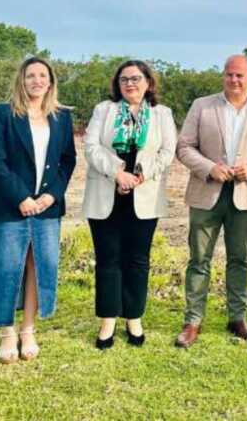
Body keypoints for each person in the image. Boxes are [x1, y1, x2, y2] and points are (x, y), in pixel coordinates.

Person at [174, 55, 247, 348]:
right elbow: (183, 146)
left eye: (240, 76)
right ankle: (192, 321)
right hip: (206, 194)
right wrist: (209, 168)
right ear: (223, 76)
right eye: (229, 75)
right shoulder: (202, 105)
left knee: (239, 260)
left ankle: (237, 318)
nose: (234, 80)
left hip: (245, 197)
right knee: (199, 260)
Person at [82, 60, 177, 349]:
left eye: (136, 78)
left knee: (138, 259)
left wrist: (140, 175)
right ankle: (108, 319)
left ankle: (133, 317)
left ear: (148, 82)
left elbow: (167, 150)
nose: (130, 84)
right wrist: (117, 173)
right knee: (108, 259)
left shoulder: (161, 114)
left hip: (144, 194)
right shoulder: (104, 110)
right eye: (124, 79)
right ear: (117, 84)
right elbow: (91, 147)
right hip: (106, 193)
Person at [0, 57, 76, 364]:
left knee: (38, 266)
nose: (37, 81)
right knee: (6, 267)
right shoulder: (2, 114)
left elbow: (68, 160)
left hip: (46, 209)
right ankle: (7, 333)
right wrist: (20, 197)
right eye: (31, 76)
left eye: (43, 75)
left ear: (51, 81)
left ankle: (28, 330)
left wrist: (52, 196)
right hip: (10, 205)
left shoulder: (61, 117)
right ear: (22, 80)